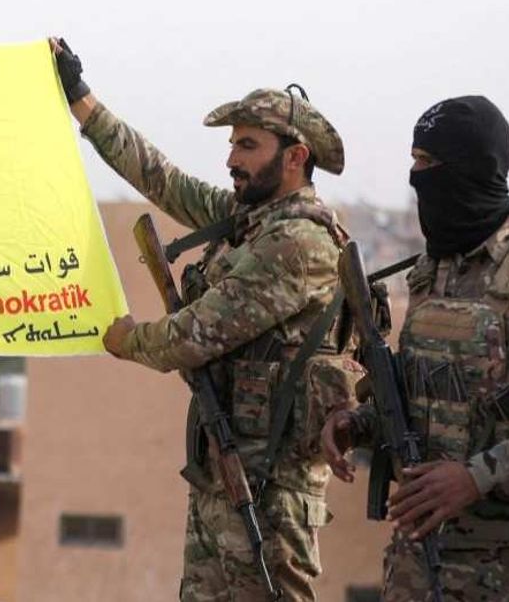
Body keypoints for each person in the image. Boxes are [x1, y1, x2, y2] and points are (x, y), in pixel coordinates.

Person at [52, 39, 360, 600]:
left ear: (295, 158)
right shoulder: (250, 219)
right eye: (233, 144)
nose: (232, 159)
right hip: (223, 473)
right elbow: (161, 179)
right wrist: (82, 100)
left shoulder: (297, 243)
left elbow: (196, 334)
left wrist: (126, 340)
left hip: (271, 493)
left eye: (248, 145)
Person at [322, 96, 509, 600]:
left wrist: (475, 477)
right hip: (417, 560)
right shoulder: (431, 269)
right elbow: (423, 390)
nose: (416, 177)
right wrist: (359, 423)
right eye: (413, 160)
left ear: (472, 168)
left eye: (428, 162)